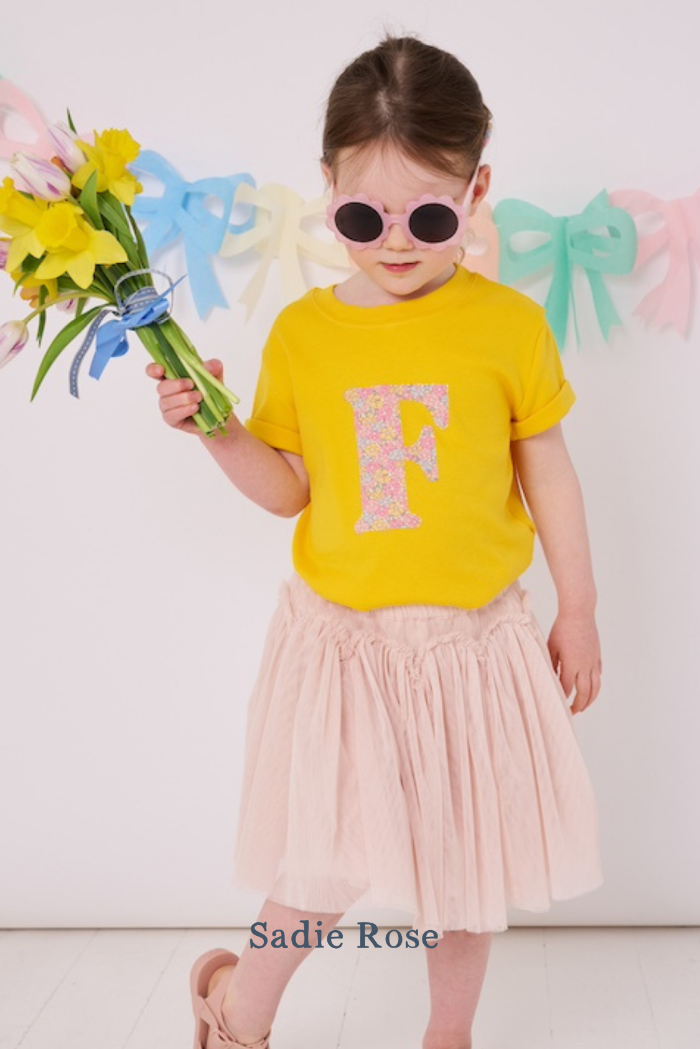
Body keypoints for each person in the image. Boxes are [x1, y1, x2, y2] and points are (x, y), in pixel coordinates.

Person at [147, 32, 604, 1049]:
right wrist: (218, 430)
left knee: (463, 865)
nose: (396, 243)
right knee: (322, 856)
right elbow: (289, 489)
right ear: (326, 190)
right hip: (346, 644)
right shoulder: (307, 334)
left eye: (429, 216)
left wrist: (578, 606)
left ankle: (449, 1033)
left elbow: (550, 473)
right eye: (363, 216)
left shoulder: (506, 326)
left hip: (473, 644)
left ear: (477, 188)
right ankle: (238, 1010)